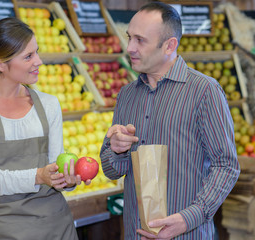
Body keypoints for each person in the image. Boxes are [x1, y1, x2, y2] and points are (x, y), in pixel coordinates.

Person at [100, 2, 240, 239]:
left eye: (140, 40)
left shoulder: (204, 91)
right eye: (129, 37)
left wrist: (189, 218)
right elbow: (112, 170)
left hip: (188, 234)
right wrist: (115, 149)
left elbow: (226, 166)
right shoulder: (126, 95)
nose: (130, 47)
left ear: (169, 45)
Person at [0, 17, 83, 240]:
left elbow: (54, 166)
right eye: (28, 56)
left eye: (37, 52)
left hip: (57, 226)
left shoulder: (49, 103)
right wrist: (38, 176)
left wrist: (67, 179)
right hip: (7, 230)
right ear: (0, 64)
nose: (39, 61)